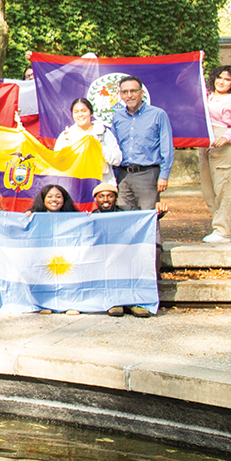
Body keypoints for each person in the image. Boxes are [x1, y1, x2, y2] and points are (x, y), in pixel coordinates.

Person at [112, 75, 172, 258]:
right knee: (124, 219)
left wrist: (164, 174)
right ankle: (129, 262)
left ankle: (154, 265)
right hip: (122, 175)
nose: (129, 95)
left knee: (149, 219)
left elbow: (167, 146)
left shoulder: (157, 114)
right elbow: (113, 147)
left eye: (133, 91)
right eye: (125, 92)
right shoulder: (117, 117)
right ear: (120, 95)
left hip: (147, 174)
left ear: (141, 93)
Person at [90, 181, 162, 318]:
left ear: (115, 198)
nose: (105, 200)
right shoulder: (91, 217)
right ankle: (114, 301)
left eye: (110, 196)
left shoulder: (128, 212)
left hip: (127, 254)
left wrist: (160, 213)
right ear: (96, 199)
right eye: (101, 196)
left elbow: (145, 221)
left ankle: (136, 301)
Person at [200, 66, 231, 243]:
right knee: (208, 188)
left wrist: (227, 138)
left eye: (227, 79)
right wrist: (197, 66)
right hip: (204, 141)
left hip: (223, 142)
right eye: (219, 77)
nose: (222, 82)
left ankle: (222, 231)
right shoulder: (207, 95)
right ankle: (225, 225)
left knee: (223, 186)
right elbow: (182, 82)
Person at [54, 97, 122, 184]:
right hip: (75, 185)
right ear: (72, 115)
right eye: (76, 112)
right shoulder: (66, 135)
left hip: (102, 185)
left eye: (84, 111)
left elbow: (118, 159)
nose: (80, 115)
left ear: (91, 113)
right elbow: (57, 161)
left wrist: (99, 148)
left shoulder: (103, 132)